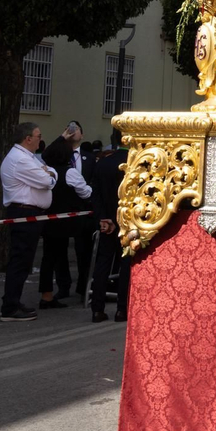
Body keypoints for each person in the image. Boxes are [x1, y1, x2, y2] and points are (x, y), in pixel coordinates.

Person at [0, 121, 58, 322]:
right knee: (20, 261)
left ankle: (13, 302)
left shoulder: (28, 157)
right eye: (38, 135)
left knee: (23, 261)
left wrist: (49, 174)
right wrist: (49, 175)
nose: (40, 139)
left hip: (31, 214)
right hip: (24, 214)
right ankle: (10, 306)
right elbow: (46, 180)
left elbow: (50, 172)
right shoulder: (20, 159)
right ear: (28, 138)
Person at [40, 129, 94, 304]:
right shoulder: (69, 172)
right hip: (70, 219)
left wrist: (60, 137)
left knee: (50, 258)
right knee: (80, 253)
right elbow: (86, 193)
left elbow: (47, 153)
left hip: (50, 218)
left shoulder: (45, 171)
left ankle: (47, 294)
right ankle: (81, 288)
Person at [88, 135, 130, 323]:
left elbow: (94, 193)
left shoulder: (103, 163)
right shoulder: (135, 161)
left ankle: (97, 308)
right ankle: (122, 309)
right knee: (126, 265)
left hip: (107, 221)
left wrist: (103, 217)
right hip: (128, 220)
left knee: (103, 263)